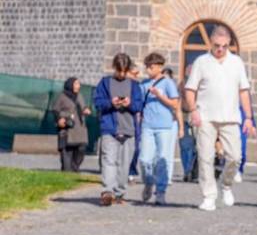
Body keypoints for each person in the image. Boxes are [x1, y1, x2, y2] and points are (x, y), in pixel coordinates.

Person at [183, 25, 255, 212]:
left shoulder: (236, 62)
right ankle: (209, 196)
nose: (220, 49)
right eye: (216, 45)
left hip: (231, 117)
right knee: (205, 157)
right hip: (205, 116)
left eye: (224, 45)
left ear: (229, 43)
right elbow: (190, 89)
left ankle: (226, 184)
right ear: (211, 43)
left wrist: (248, 117)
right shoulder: (201, 62)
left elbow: (243, 91)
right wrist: (193, 110)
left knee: (235, 157)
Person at [93, 53, 145, 206]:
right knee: (109, 161)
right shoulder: (104, 83)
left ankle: (119, 193)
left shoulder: (134, 86)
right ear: (114, 67)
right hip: (109, 128)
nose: (121, 74)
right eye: (119, 71)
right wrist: (111, 103)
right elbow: (97, 102)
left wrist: (129, 104)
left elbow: (139, 106)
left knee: (124, 164)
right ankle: (107, 192)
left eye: (124, 71)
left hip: (129, 130)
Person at [138, 53, 181, 205]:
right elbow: (139, 103)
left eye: (151, 67)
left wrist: (159, 96)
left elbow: (175, 104)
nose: (148, 70)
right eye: (147, 67)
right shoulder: (143, 84)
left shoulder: (168, 83)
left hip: (164, 126)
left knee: (162, 160)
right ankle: (149, 182)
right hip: (147, 126)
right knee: (144, 159)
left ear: (160, 67)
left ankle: (161, 192)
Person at [51, 77, 91, 173]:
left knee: (81, 149)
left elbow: (83, 107)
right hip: (67, 129)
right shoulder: (62, 97)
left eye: (78, 84)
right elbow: (55, 110)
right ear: (70, 85)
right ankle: (67, 172)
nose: (79, 86)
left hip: (79, 129)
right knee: (66, 156)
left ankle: (75, 167)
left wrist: (86, 110)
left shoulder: (80, 96)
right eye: (76, 84)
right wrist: (59, 120)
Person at [177, 65, 198, 182]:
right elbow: (178, 104)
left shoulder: (201, 84)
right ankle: (187, 171)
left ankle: (193, 171)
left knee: (196, 147)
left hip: (198, 117)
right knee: (185, 146)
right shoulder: (182, 85)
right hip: (184, 117)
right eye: (188, 71)